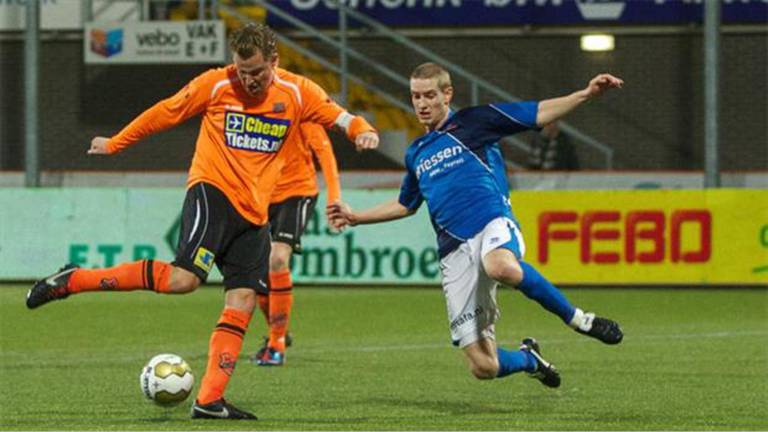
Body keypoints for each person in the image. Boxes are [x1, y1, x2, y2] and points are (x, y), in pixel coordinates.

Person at [26, 23, 378, 420]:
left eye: (258, 72)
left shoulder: (298, 91)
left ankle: (210, 400)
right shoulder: (216, 84)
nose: (249, 80)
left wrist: (363, 131)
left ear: (275, 63)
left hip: (254, 212)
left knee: (243, 299)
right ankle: (73, 280)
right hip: (212, 191)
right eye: (243, 71)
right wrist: (116, 142)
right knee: (184, 280)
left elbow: (342, 118)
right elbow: (166, 111)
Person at [327, 63, 623, 387]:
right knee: (484, 366)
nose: (422, 104)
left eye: (429, 95)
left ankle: (579, 319)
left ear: (447, 94)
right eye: (415, 97)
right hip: (454, 254)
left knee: (501, 267)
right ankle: (529, 359)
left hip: (491, 222)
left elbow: (537, 113)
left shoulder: (474, 122)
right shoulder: (416, 153)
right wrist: (357, 216)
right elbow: (405, 204)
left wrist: (585, 93)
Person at [251, 122, 342, 366]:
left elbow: (324, 152)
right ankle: (277, 331)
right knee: (255, 269)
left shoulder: (299, 106)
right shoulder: (253, 110)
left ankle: (277, 344)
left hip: (298, 192)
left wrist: (334, 199)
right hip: (260, 195)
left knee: (278, 258)